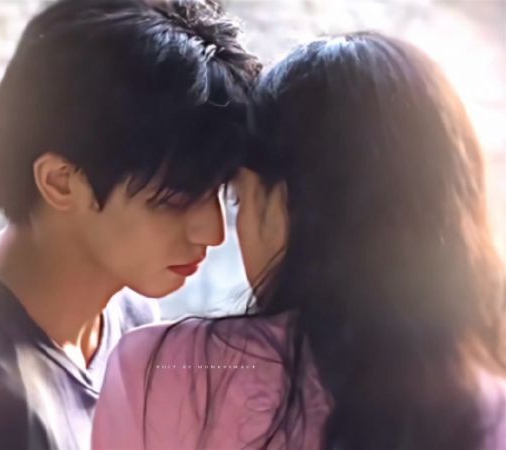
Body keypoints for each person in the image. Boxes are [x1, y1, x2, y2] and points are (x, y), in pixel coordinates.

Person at [92, 31, 506, 450]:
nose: (218, 234)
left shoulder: (165, 370)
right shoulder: (487, 401)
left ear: (280, 201)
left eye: (237, 199)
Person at [0, 0, 259, 448]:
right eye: (175, 200)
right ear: (60, 182)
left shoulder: (126, 308)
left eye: (219, 191)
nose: (214, 233)